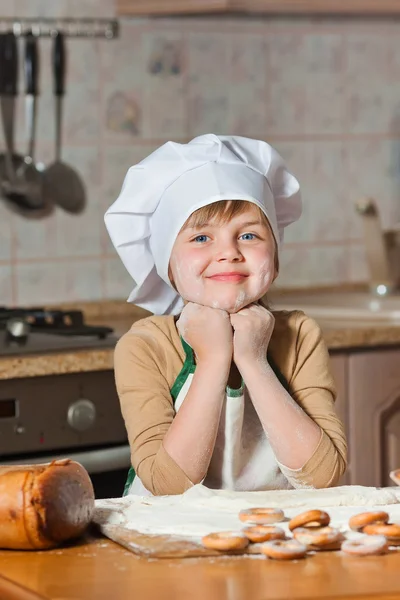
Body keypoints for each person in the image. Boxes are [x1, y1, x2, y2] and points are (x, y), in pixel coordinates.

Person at [105, 134, 347, 497]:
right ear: (167, 265)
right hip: (169, 541)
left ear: (276, 258)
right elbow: (168, 486)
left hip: (273, 537)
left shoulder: (299, 333)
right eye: (201, 238)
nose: (229, 253)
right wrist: (214, 359)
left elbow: (323, 477)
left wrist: (254, 361)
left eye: (249, 235)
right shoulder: (145, 346)